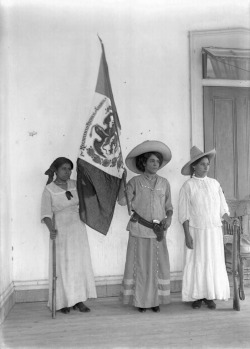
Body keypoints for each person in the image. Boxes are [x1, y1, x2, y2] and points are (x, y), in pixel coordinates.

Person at [178, 146, 237, 310]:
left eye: (207, 164)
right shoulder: (188, 186)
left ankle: (210, 295)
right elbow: (183, 214)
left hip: (213, 231)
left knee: (212, 261)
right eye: (202, 164)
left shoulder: (214, 184)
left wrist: (230, 221)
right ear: (194, 166)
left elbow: (223, 209)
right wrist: (187, 235)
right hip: (196, 231)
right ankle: (197, 295)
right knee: (197, 262)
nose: (206, 167)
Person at [118, 140, 173, 313]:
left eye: (157, 161)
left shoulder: (164, 183)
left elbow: (169, 207)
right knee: (140, 265)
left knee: (156, 266)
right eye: (152, 161)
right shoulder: (135, 182)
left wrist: (169, 218)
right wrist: (122, 182)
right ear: (144, 163)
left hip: (158, 232)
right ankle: (140, 301)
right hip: (139, 229)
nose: (155, 164)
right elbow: (121, 201)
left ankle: (154, 301)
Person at [41, 157, 97, 314]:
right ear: (56, 170)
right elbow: (46, 213)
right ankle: (63, 301)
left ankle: (78, 300)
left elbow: (89, 197)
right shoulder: (49, 189)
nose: (67, 172)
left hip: (78, 229)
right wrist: (51, 229)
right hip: (61, 230)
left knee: (78, 264)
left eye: (69, 169)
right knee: (63, 266)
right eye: (64, 169)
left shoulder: (75, 185)